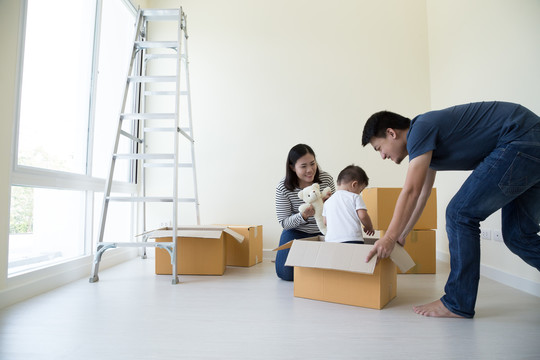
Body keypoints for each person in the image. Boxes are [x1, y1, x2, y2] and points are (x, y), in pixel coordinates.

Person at [361, 101, 540, 319]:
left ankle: (457, 302)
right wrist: (402, 234)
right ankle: (458, 301)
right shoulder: (426, 145)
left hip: (520, 138)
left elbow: (411, 191)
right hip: (530, 143)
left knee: (459, 214)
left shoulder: (420, 129)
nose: (382, 156)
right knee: (518, 235)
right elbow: (422, 196)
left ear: (391, 133)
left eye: (379, 148)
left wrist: (389, 237)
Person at [275, 144, 335, 281]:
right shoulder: (283, 188)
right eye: (303, 166)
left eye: (312, 164)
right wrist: (303, 215)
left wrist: (329, 205)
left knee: (332, 270)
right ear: (292, 167)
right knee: (285, 274)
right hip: (296, 232)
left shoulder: (326, 179)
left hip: (324, 230)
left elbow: (335, 212)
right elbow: (284, 223)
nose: (310, 170)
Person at [322, 165, 375, 244]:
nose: (359, 193)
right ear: (354, 185)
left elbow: (325, 222)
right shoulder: (355, 197)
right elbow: (363, 215)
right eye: (360, 190)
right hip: (352, 239)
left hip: (331, 241)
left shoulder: (327, 201)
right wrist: (369, 227)